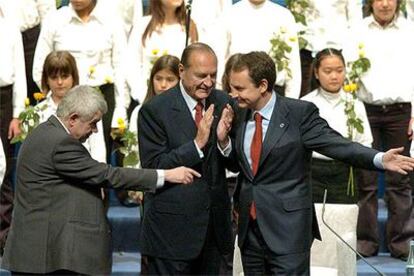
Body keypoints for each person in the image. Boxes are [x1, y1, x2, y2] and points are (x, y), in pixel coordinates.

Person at [217, 51, 414, 275]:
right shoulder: (239, 114)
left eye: (240, 89)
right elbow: (240, 166)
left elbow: (337, 145)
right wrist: (224, 142)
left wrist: (378, 158)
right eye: (232, 88)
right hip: (249, 232)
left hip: (288, 231)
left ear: (262, 85)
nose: (233, 95)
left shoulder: (298, 113)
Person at [1, 85, 200, 275]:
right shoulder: (60, 142)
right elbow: (106, 175)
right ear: (73, 118)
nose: (95, 130)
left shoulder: (45, 132)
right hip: (43, 258)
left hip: (38, 254)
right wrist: (166, 175)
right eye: (93, 123)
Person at [138, 42, 234, 275]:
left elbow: (235, 164)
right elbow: (154, 168)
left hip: (214, 232)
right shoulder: (155, 110)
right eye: (201, 75)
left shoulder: (223, 102)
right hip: (172, 234)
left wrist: (223, 142)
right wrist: (195, 146)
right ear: (182, 71)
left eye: (213, 75)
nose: (208, 82)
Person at [344, 0, 414, 260]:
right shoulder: (356, 30)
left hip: (401, 111)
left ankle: (402, 243)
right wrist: (350, 112)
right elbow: (348, 74)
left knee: (400, 179)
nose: (385, 4)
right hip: (366, 110)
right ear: (370, 3)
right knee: (366, 179)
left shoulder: (410, 29)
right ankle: (365, 241)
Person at [32, 0, 129, 163]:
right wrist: (54, 99)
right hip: (63, 99)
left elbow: (121, 65)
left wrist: (121, 108)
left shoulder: (111, 19)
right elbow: (40, 66)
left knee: (99, 153)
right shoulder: (55, 19)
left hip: (102, 95)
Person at [301, 48, 373, 203]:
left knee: (344, 222)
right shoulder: (305, 103)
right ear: (316, 73)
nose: (334, 76)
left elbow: (365, 141)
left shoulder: (355, 103)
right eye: (327, 71)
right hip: (313, 172)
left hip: (346, 173)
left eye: (339, 70)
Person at [210, 0, 301, 99]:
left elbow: (292, 61)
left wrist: (292, 98)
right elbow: (220, 56)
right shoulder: (230, 13)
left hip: (273, 91)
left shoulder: (284, 16)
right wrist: (221, 94)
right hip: (238, 92)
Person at [36, 50, 106, 163]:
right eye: (54, 77)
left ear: (74, 76)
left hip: (85, 170)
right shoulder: (37, 112)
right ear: (46, 80)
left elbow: (98, 150)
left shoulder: (90, 107)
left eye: (64, 76)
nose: (59, 82)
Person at [126, 0, 198, 104]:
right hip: (148, 99)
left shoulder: (190, 26)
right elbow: (131, 65)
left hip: (181, 102)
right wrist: (145, 97)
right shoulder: (142, 25)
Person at [0, 3, 27, 254]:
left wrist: (17, 113)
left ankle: (3, 234)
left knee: (5, 167)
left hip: (3, 99)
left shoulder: (9, 28)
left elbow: (19, 71)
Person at [298, 0, 363, 97]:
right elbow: (296, 13)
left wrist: (351, 56)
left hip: (338, 50)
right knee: (303, 103)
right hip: (306, 50)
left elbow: (355, 21)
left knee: (343, 101)